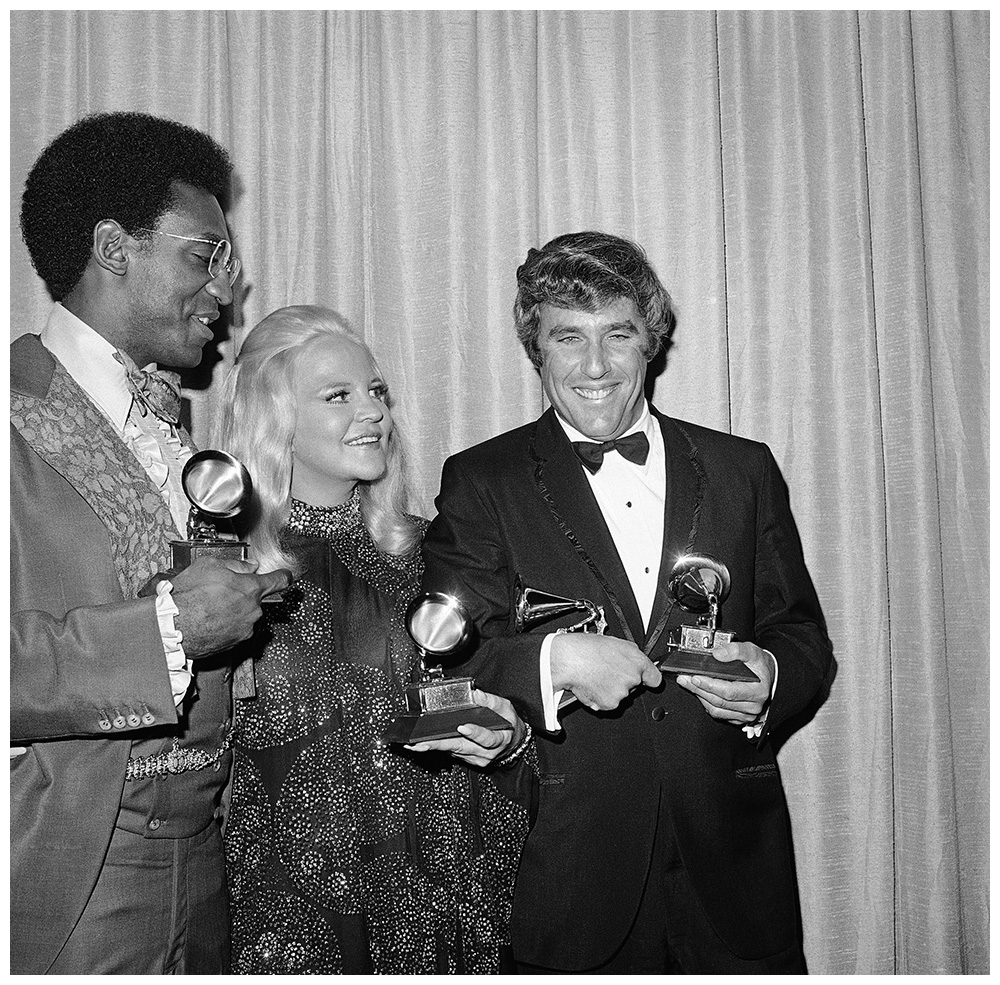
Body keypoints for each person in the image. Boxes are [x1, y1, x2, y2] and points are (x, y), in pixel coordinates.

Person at [420, 231, 835, 973]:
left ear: (652, 340)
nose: (595, 365)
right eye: (566, 337)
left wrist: (770, 675)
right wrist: (554, 660)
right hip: (572, 870)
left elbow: (800, 632)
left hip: (736, 869)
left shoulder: (744, 469)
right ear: (535, 349)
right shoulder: (483, 480)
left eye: (618, 333)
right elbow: (454, 646)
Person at [10, 111, 290, 974]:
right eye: (204, 256)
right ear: (113, 246)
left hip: (205, 856)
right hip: (68, 868)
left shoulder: (174, 425)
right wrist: (167, 630)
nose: (226, 292)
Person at [216, 304, 532, 974]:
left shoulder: (436, 553)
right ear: (276, 419)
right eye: (339, 395)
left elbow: (509, 720)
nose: (374, 412)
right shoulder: (224, 575)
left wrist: (508, 740)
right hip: (288, 925)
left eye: (377, 392)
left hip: (435, 912)